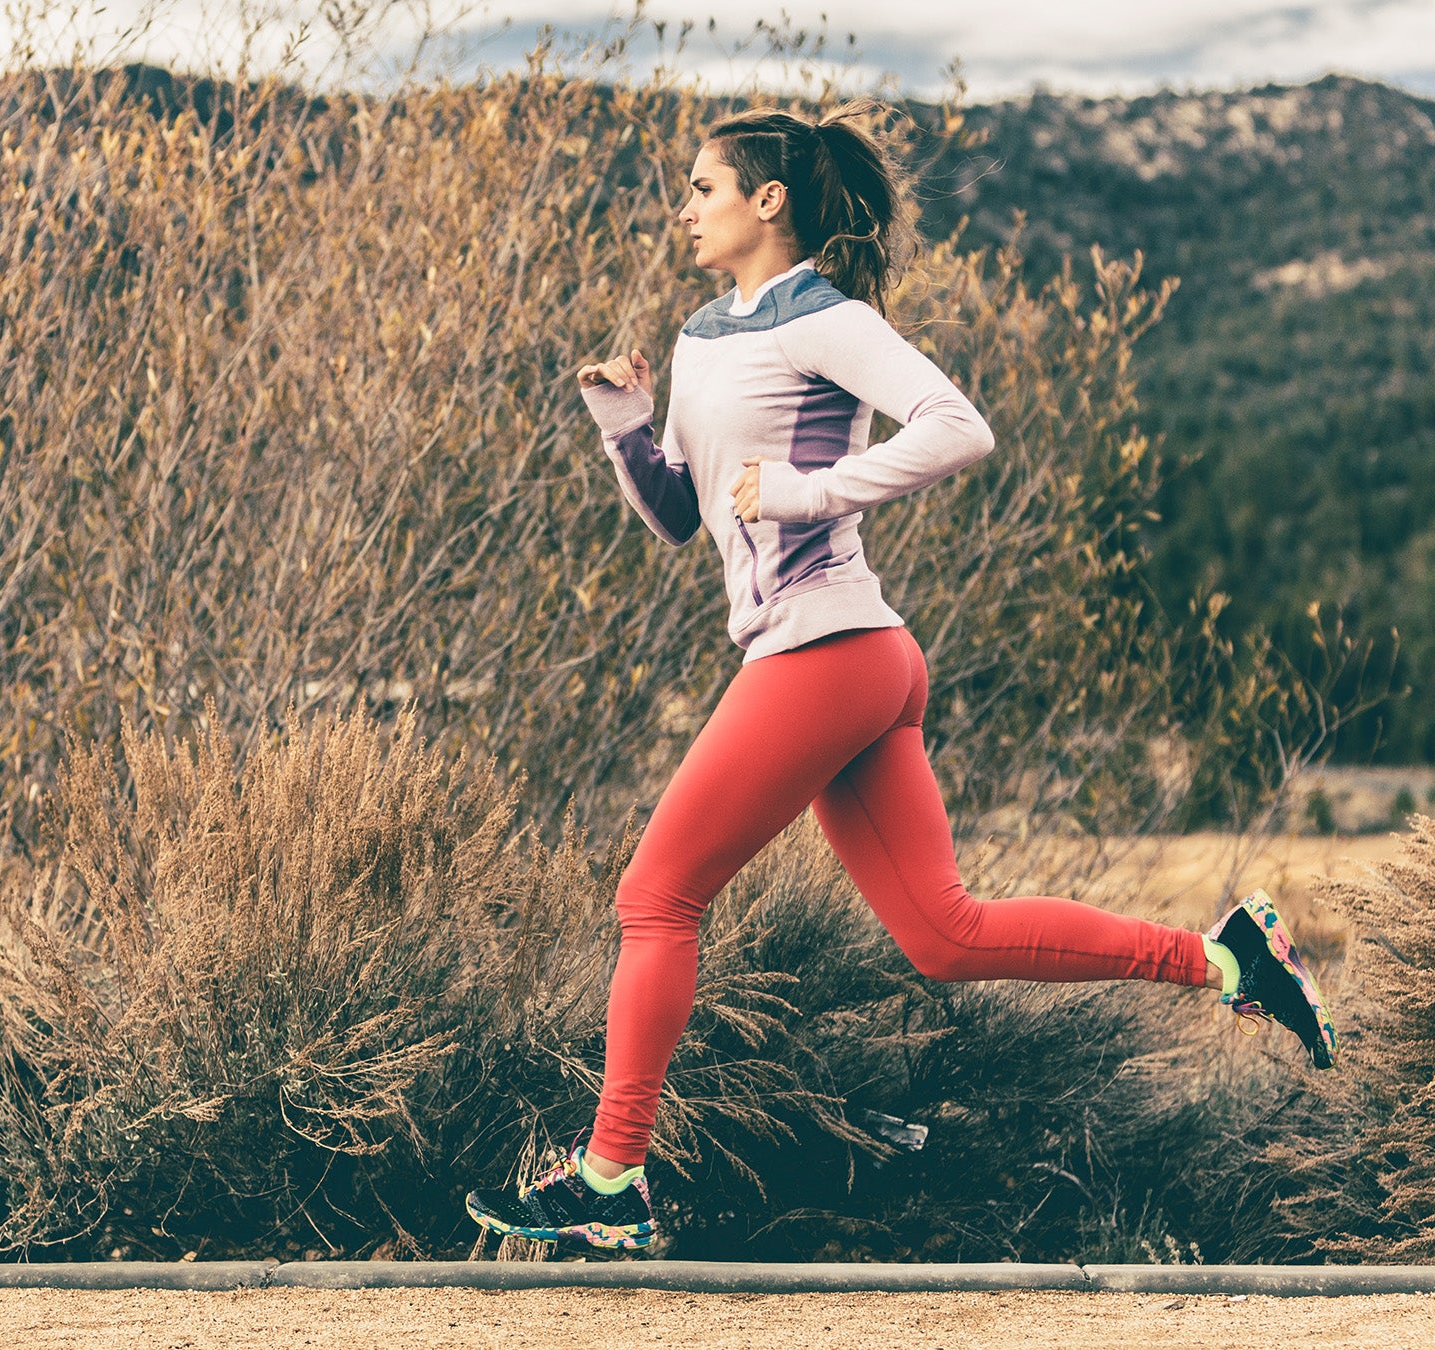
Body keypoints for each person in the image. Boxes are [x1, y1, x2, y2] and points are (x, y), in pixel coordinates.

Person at [464, 101, 1336, 1253]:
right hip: (843, 659)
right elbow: (680, 516)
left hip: (826, 652)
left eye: (703, 188)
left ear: (767, 201)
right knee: (945, 935)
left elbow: (957, 426)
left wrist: (813, 491)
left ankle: (611, 1180)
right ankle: (1229, 957)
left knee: (655, 898)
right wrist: (624, 419)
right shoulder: (699, 336)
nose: (684, 208)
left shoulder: (820, 316)